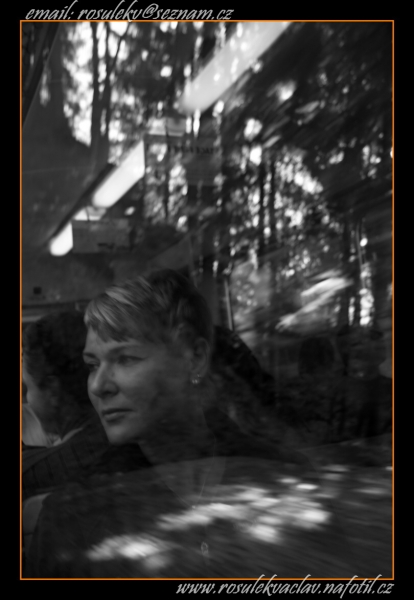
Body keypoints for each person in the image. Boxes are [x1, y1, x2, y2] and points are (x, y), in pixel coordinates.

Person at [26, 271, 390, 578]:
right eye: (93, 365)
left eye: (126, 359)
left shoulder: (280, 477)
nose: (99, 385)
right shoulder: (74, 513)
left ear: (195, 358)